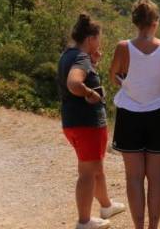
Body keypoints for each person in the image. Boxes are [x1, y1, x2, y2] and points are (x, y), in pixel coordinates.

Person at [109, 0, 160, 229]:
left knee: (134, 177)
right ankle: (153, 227)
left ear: (135, 22)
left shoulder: (123, 47)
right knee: (157, 177)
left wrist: (130, 85)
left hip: (129, 114)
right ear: (155, 21)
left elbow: (114, 75)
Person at [58, 13, 126, 229]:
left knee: (95, 168)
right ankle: (84, 221)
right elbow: (73, 83)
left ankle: (106, 206)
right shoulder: (81, 58)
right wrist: (89, 93)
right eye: (99, 38)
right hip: (86, 124)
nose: (101, 42)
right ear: (90, 39)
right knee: (87, 173)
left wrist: (93, 64)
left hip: (73, 122)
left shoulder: (68, 54)